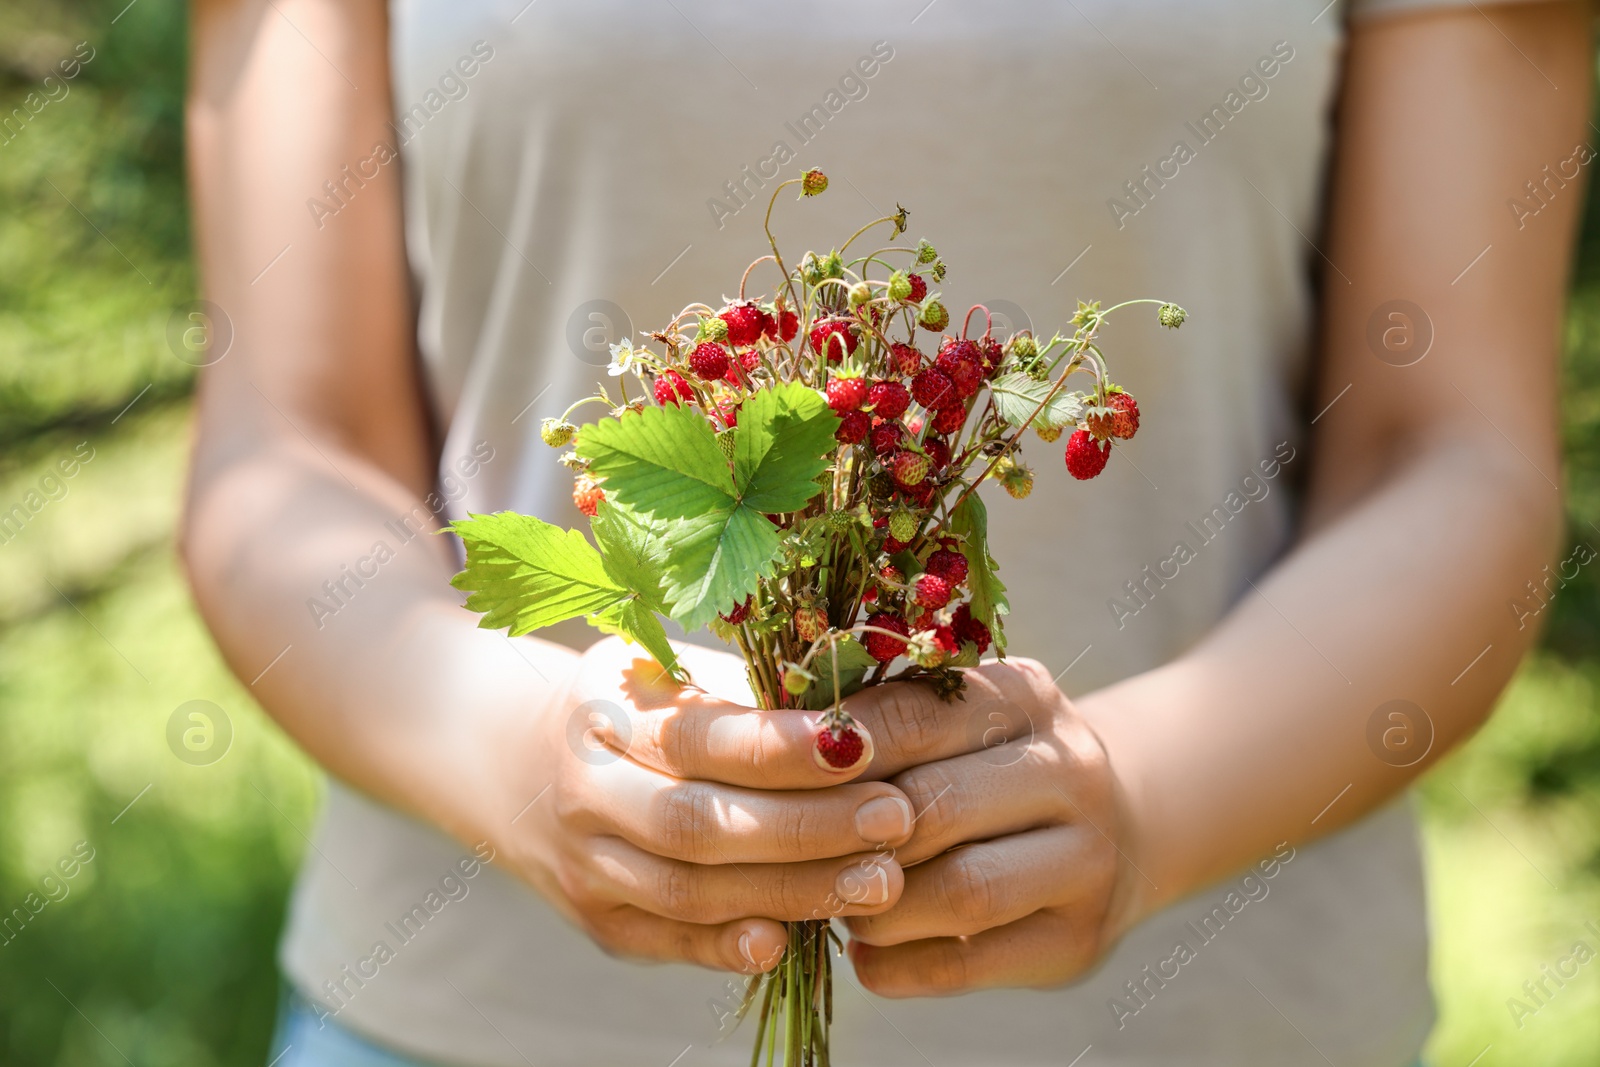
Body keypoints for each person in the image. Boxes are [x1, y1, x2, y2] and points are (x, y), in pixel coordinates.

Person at [181, 0, 1589, 1064]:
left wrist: (1145, 805)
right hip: (460, 1027)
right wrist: (508, 754)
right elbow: (284, 449)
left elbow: (1451, 454)